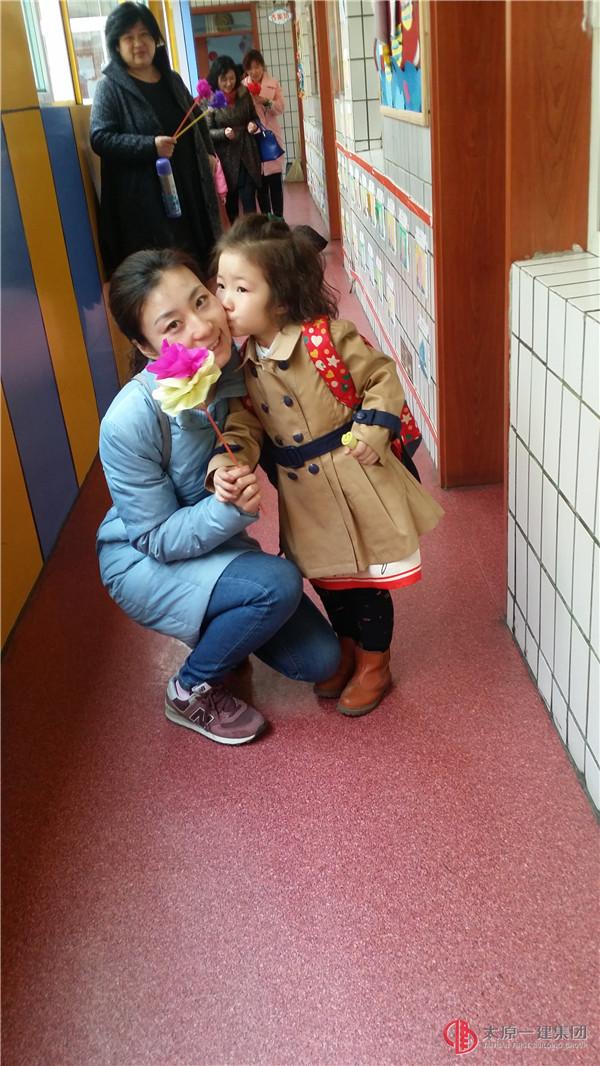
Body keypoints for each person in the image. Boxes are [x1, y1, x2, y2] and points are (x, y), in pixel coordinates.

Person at [97, 246, 341, 746]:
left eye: (201, 301)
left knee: (320, 660)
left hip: (215, 547)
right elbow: (155, 537)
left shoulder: (238, 371)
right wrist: (226, 508)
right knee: (276, 583)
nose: (203, 327)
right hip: (143, 560)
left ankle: (222, 626)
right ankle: (188, 690)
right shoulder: (129, 420)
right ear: (145, 347)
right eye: (172, 325)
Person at [208, 215, 444, 718]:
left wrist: (372, 431)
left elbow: (381, 378)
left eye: (242, 289)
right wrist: (229, 459)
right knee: (328, 579)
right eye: (221, 285)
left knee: (365, 582)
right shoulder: (244, 362)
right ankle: (348, 650)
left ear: (281, 298)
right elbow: (244, 424)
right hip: (304, 496)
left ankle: (375, 663)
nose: (225, 300)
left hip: (355, 479)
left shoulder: (325, 340)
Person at [90, 2, 220, 276]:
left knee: (199, 258)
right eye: (129, 37)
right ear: (116, 45)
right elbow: (100, 138)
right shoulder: (109, 87)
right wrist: (150, 146)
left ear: (155, 39)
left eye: (145, 34)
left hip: (190, 187)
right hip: (146, 201)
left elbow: (196, 117)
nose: (138, 43)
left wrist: (209, 153)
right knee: (163, 269)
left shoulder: (171, 79)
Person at [205, 56, 262, 224]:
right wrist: (223, 133)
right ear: (216, 79)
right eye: (224, 79)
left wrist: (253, 124)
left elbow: (254, 117)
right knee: (231, 206)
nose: (229, 83)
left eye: (232, 78)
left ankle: (253, 234)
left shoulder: (244, 94)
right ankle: (237, 236)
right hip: (226, 159)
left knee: (250, 202)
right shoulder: (211, 100)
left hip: (247, 153)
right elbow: (206, 132)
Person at [242, 49, 286, 218]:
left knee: (275, 182)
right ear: (246, 70)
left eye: (257, 66)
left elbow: (280, 108)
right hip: (253, 138)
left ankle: (279, 218)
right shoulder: (242, 88)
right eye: (250, 68)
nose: (254, 71)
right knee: (260, 184)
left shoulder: (273, 84)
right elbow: (240, 113)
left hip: (271, 137)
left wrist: (265, 101)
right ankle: (267, 218)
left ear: (262, 66)